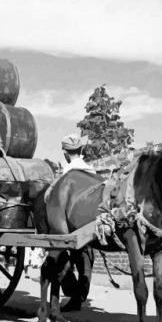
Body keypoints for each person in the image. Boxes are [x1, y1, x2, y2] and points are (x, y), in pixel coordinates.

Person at [59, 133, 96, 311]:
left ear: (66, 154)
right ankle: (80, 295)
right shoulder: (91, 170)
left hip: (72, 223)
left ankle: (72, 291)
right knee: (85, 258)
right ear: (81, 150)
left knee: (58, 255)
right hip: (90, 219)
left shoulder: (67, 174)